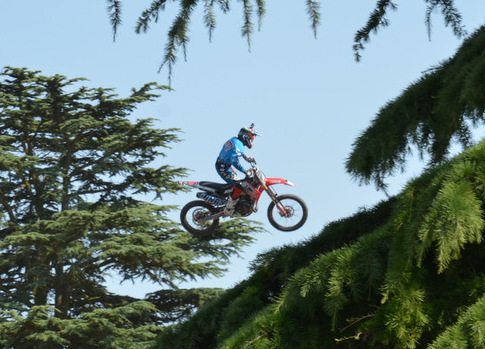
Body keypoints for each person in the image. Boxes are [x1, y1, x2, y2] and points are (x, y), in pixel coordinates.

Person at [216, 124, 260, 216]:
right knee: (239, 186)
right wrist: (245, 171)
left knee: (243, 182)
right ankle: (229, 208)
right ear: (246, 136)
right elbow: (235, 162)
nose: (252, 140)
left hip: (224, 165)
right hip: (224, 167)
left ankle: (234, 200)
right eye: (251, 138)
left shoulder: (236, 140)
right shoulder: (237, 145)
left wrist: (247, 158)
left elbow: (237, 153)